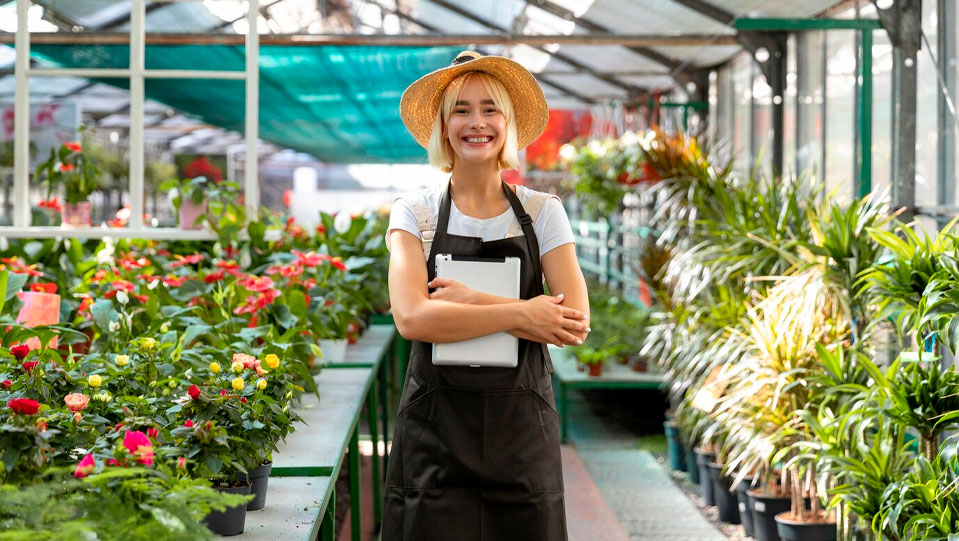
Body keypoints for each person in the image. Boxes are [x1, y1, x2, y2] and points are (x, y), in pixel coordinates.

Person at [383, 50, 590, 541]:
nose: (477, 123)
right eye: (461, 109)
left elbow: (574, 322)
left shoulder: (543, 213)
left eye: (490, 108)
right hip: (435, 438)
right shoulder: (415, 213)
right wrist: (524, 312)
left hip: (521, 439)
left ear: (509, 122)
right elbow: (412, 318)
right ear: (443, 125)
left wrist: (475, 303)